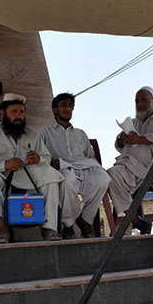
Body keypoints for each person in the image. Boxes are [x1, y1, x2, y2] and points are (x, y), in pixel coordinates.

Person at [0, 93, 65, 242]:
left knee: (50, 175)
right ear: (2, 113)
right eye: (14, 112)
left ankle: (49, 228)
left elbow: (46, 157)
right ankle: (1, 228)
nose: (19, 116)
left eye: (21, 112)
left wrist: (38, 159)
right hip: (3, 176)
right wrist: (4, 164)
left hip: (29, 176)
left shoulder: (33, 134)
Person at [107, 86, 153, 233]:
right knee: (110, 174)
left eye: (143, 100)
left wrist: (140, 139)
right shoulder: (133, 123)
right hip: (132, 166)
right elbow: (118, 145)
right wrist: (121, 140)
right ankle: (135, 220)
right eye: (137, 101)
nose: (140, 104)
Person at [40, 93, 109, 238]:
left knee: (103, 179)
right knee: (67, 179)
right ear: (55, 109)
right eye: (64, 105)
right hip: (62, 169)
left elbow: (90, 157)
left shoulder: (80, 134)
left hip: (84, 168)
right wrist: (53, 160)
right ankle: (68, 225)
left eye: (70, 106)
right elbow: (41, 155)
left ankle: (85, 220)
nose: (68, 109)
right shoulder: (45, 132)